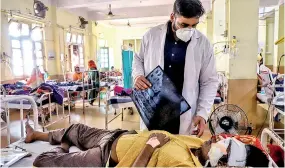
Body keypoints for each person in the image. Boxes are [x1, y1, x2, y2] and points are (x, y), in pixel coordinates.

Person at [132, 0, 219, 136]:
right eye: (183, 24)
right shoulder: (151, 36)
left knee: (179, 152)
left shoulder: (203, 44)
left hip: (182, 114)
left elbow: (209, 81)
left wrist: (202, 113)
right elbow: (138, 59)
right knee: (151, 149)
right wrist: (138, 75)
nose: (188, 30)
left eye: (193, 26)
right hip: (154, 108)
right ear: (173, 16)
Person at [24, 122, 269, 167]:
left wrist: (150, 146)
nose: (214, 139)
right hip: (117, 135)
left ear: (221, 165)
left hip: (107, 157)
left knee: (43, 161)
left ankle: (63, 147)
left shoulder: (184, 167)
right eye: (221, 139)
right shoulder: (198, 143)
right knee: (75, 129)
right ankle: (36, 134)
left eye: (221, 147)